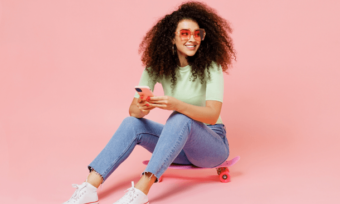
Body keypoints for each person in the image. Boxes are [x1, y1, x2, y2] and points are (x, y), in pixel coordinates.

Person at [63, 1, 236, 204]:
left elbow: (212, 114)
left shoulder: (211, 67)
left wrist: (176, 105)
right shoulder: (157, 66)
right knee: (131, 124)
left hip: (211, 146)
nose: (192, 39)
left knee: (180, 117)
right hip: (176, 148)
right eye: (185, 33)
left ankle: (141, 191)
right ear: (171, 37)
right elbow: (133, 112)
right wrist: (141, 107)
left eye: (198, 34)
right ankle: (90, 186)